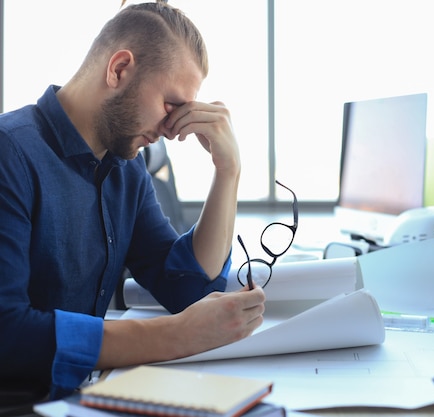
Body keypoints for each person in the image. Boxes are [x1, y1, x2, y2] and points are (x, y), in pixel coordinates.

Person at [0, 1, 266, 400]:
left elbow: (187, 289)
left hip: (80, 397)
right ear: (119, 69)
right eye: (171, 106)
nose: (174, 130)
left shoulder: (127, 170)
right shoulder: (10, 153)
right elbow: (7, 333)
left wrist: (228, 172)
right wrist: (177, 336)